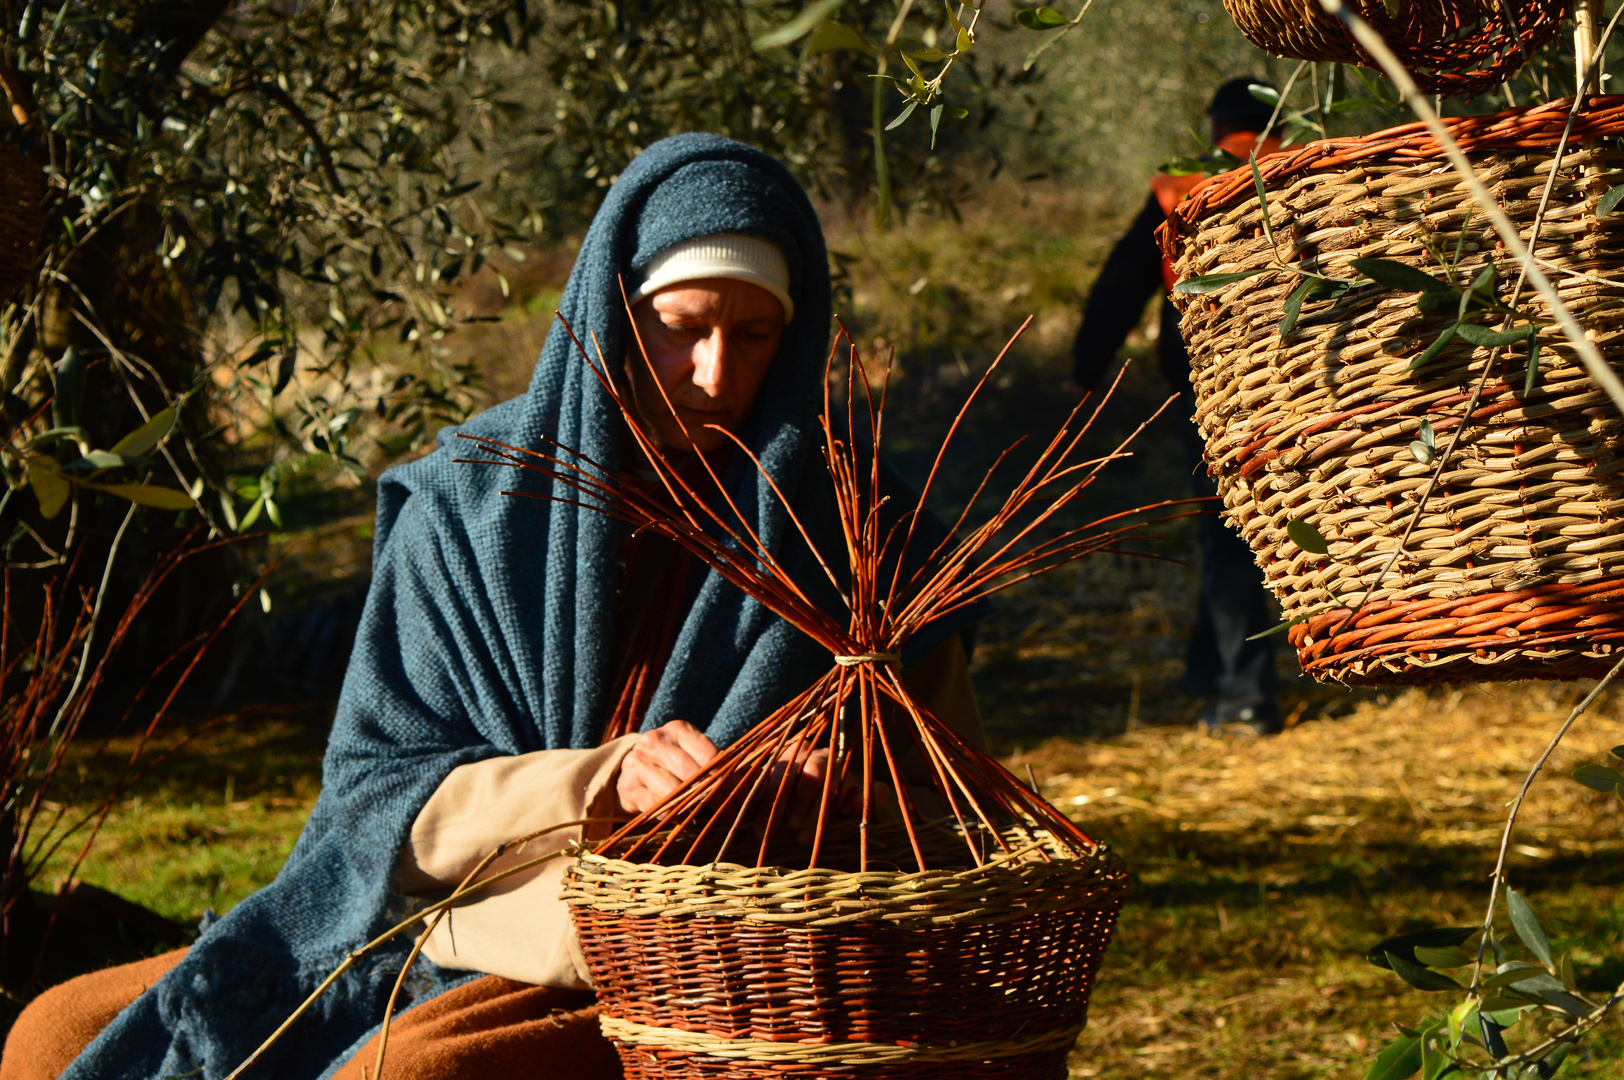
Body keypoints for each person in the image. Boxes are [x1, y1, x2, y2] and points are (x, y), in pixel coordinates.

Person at [3, 134, 983, 1080]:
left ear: (796, 333)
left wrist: (815, 791)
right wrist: (598, 781)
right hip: (449, 912)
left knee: (412, 1072)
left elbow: (943, 806)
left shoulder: (861, 536)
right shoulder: (470, 503)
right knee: (55, 1034)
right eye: (682, 329)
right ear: (614, 315)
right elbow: (377, 789)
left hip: (683, 967)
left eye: (755, 334)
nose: (718, 373)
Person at [1071, 78, 1285, 737]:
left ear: (1217, 123)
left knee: (1232, 531)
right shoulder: (1307, 166)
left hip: (1213, 385)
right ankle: (1211, 672)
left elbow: (1123, 279)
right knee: (1258, 524)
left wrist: (1086, 367)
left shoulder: (1185, 184)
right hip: (1303, 380)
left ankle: (1246, 699)